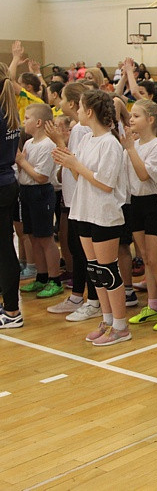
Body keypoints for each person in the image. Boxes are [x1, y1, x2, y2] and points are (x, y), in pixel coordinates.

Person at [53, 90, 128, 346]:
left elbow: (106, 184)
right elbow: (78, 176)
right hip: (84, 210)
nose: (78, 112)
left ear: (89, 112)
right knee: (95, 271)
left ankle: (121, 324)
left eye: (82, 107)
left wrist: (76, 165)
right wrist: (68, 160)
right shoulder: (86, 140)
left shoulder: (110, 143)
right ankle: (107, 319)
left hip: (104, 214)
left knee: (108, 271)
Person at [122, 100, 157, 331]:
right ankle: (153, 305)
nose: (131, 120)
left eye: (136, 116)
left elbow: (144, 175)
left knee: (156, 259)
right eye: (131, 116)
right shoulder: (134, 144)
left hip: (154, 203)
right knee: (145, 257)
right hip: (136, 202)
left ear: (151, 120)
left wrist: (130, 149)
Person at [16, 104, 62, 299]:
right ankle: (41, 277)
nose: (24, 121)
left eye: (27, 118)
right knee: (32, 236)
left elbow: (41, 177)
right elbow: (24, 171)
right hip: (26, 191)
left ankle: (54, 279)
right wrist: (22, 164)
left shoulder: (47, 145)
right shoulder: (29, 143)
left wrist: (21, 161)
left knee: (45, 238)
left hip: (41, 192)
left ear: (39, 122)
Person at [0, 66, 22, 327]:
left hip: (2, 184)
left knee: (5, 249)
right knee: (4, 246)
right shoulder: (9, 110)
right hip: (8, 182)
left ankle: (13, 312)